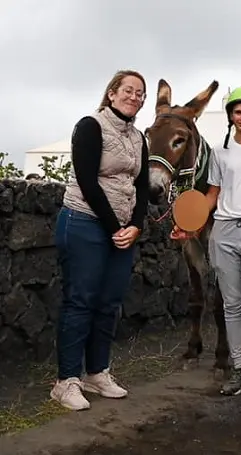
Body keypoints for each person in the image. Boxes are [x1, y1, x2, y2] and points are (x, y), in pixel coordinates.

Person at [174, 83, 241, 399]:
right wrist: (188, 222)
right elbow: (212, 195)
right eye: (238, 112)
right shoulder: (220, 154)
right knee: (232, 305)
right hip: (223, 231)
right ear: (231, 116)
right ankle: (239, 369)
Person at [51, 69, 149, 411]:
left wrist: (135, 226)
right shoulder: (90, 126)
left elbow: (142, 185)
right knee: (81, 301)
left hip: (121, 230)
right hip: (84, 222)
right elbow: (88, 181)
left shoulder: (138, 138)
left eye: (140, 93)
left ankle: (96, 372)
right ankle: (66, 381)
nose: (134, 97)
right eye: (128, 90)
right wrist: (114, 227)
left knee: (108, 303)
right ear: (111, 93)